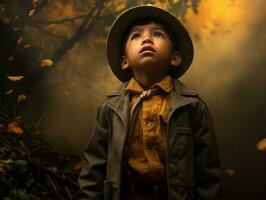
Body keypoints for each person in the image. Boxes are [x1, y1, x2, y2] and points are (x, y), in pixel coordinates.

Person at [77, 5, 221, 200]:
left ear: (175, 58)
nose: (146, 39)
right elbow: (94, 168)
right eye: (136, 36)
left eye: (158, 34)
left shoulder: (192, 107)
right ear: (124, 61)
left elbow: (208, 174)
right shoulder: (110, 108)